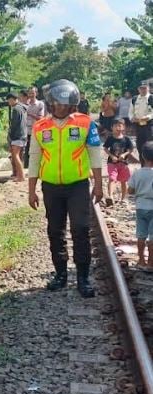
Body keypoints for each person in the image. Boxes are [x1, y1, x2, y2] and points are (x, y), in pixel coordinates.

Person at [28, 79, 103, 298]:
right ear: (50, 103)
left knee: (80, 229)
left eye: (65, 104)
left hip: (78, 185)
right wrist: (31, 189)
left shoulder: (86, 123)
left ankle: (83, 277)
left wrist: (99, 185)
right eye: (57, 104)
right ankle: (61, 274)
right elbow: (34, 158)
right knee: (55, 231)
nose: (60, 108)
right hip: (51, 187)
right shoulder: (40, 126)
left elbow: (95, 154)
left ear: (72, 105)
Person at [128, 141, 153, 272]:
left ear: (143, 156)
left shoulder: (137, 173)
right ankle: (151, 263)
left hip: (141, 207)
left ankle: (141, 261)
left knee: (141, 235)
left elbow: (130, 190)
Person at [103, 118, 133, 204]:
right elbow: (105, 148)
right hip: (112, 163)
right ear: (112, 127)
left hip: (124, 163)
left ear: (123, 127)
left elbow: (130, 149)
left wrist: (124, 155)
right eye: (115, 126)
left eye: (120, 125)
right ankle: (110, 197)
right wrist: (111, 156)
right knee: (112, 179)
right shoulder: (110, 138)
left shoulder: (126, 139)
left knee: (124, 181)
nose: (118, 127)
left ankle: (123, 198)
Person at [129, 81, 153, 166]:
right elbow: (130, 112)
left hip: (149, 126)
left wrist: (148, 117)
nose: (143, 90)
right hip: (138, 126)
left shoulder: (151, 98)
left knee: (150, 146)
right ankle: (143, 166)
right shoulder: (135, 99)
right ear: (138, 89)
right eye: (141, 88)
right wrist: (132, 118)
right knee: (140, 146)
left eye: (145, 88)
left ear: (148, 88)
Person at [6, 93, 27, 182]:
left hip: (17, 136)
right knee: (19, 156)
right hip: (23, 135)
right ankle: (19, 175)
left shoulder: (16, 109)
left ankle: (21, 176)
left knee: (16, 156)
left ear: (12, 99)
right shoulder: (22, 108)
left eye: (9, 100)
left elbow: (14, 124)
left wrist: (10, 135)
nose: (9, 103)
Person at [24, 86, 45, 169]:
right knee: (26, 150)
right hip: (26, 130)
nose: (31, 94)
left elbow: (41, 118)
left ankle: (39, 167)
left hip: (37, 131)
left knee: (37, 150)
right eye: (29, 93)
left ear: (36, 93)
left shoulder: (40, 104)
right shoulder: (25, 104)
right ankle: (26, 168)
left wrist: (30, 114)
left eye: (33, 93)